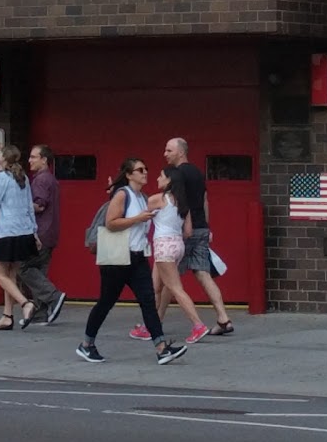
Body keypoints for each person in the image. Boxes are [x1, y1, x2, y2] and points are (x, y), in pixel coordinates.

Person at [76, 158, 187, 365]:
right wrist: (138, 219)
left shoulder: (143, 197)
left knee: (148, 302)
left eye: (146, 169)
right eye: (140, 170)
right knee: (106, 302)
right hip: (117, 257)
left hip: (137, 257)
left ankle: (162, 348)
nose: (145, 172)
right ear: (129, 175)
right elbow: (111, 223)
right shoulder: (123, 195)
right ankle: (87, 344)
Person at [158, 137, 232, 335]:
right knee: (203, 273)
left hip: (184, 230)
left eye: (169, 150)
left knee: (169, 279)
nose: (165, 154)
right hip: (201, 229)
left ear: (181, 152)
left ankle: (155, 323)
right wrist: (206, 226)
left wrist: (181, 227)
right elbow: (205, 199)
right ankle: (223, 318)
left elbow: (178, 201)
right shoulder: (198, 172)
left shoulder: (177, 174)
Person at [138, 164, 209, 344]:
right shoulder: (183, 202)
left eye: (161, 176)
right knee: (154, 287)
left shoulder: (158, 199)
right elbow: (188, 231)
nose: (157, 179)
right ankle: (149, 326)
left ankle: (198, 325)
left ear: (169, 180)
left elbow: (137, 215)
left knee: (176, 288)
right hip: (177, 245)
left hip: (163, 246)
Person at [0, 145, 38, 330]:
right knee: (11, 274)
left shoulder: (1, 177)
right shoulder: (22, 177)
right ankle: (7, 316)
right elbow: (29, 206)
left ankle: (26, 303)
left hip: (8, 233)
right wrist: (34, 231)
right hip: (24, 231)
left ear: (4, 159)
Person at [19, 144, 66, 326]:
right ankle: (41, 313)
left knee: (24, 268)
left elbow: (39, 205)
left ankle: (54, 297)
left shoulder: (40, 180)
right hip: (51, 232)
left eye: (33, 157)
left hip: (40, 232)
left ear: (44, 160)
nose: (29, 161)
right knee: (40, 271)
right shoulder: (51, 179)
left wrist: (18, 205)